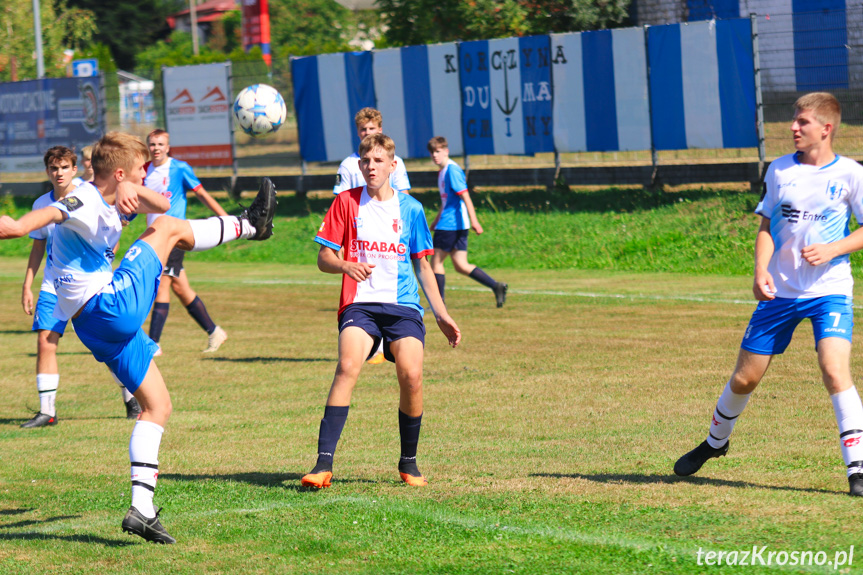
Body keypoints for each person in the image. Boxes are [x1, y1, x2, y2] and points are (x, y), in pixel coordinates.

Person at [0, 131, 277, 542]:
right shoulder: (83, 199)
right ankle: (251, 225)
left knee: (158, 406)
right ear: (118, 171)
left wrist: (131, 185)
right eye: (141, 170)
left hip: (97, 326)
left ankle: (141, 510)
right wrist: (16, 224)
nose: (148, 176)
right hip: (108, 307)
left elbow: (164, 202)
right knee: (164, 230)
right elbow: (22, 225)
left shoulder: (117, 190)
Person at [673, 92, 863, 497]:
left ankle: (857, 470)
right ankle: (714, 443)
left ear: (826, 128)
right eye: (794, 120)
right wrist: (760, 270)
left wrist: (833, 249)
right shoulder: (779, 170)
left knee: (834, 371)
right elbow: (765, 228)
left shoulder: (850, 173)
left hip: (829, 291)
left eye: (803, 122)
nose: (793, 127)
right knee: (745, 378)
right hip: (780, 294)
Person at [301, 133, 460, 489]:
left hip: (403, 306)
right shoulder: (345, 203)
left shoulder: (412, 209)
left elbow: (424, 267)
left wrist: (441, 314)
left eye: (378, 161)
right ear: (360, 166)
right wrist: (345, 266)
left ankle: (409, 463)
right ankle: (322, 465)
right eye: (366, 162)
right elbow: (323, 258)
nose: (371, 167)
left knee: (412, 375)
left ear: (393, 165)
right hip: (360, 304)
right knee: (347, 366)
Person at [20, 146, 139, 428]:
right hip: (53, 285)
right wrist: (28, 285)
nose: (58, 173)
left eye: (64, 167)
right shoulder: (41, 205)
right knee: (45, 341)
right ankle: (47, 411)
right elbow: (38, 247)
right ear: (47, 171)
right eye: (53, 168)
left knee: (105, 345)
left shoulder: (87, 195)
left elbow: (116, 224)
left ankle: (131, 398)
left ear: (74, 169)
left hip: (89, 284)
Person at [335, 108, 411, 364]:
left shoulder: (394, 161)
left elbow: (404, 198)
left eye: (371, 129)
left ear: (380, 130)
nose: (366, 133)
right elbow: (341, 202)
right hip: (360, 238)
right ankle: (370, 344)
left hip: (388, 238)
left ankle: (388, 341)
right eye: (362, 130)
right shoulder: (348, 164)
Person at [144, 129, 229, 355]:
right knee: (182, 289)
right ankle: (214, 331)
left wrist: (226, 220)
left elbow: (202, 194)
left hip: (174, 236)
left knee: (161, 284)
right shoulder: (145, 170)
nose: (156, 148)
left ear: (168, 147)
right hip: (154, 235)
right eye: (152, 144)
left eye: (160, 144)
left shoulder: (179, 168)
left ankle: (153, 344)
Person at [427, 136, 507, 308]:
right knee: (461, 265)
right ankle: (496, 286)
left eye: (438, 151)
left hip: (450, 225)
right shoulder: (442, 171)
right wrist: (435, 221)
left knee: (436, 263)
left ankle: (439, 304)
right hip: (452, 224)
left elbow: (466, 197)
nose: (435, 155)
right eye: (432, 152)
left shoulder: (452, 170)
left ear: (446, 151)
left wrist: (475, 221)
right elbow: (446, 201)